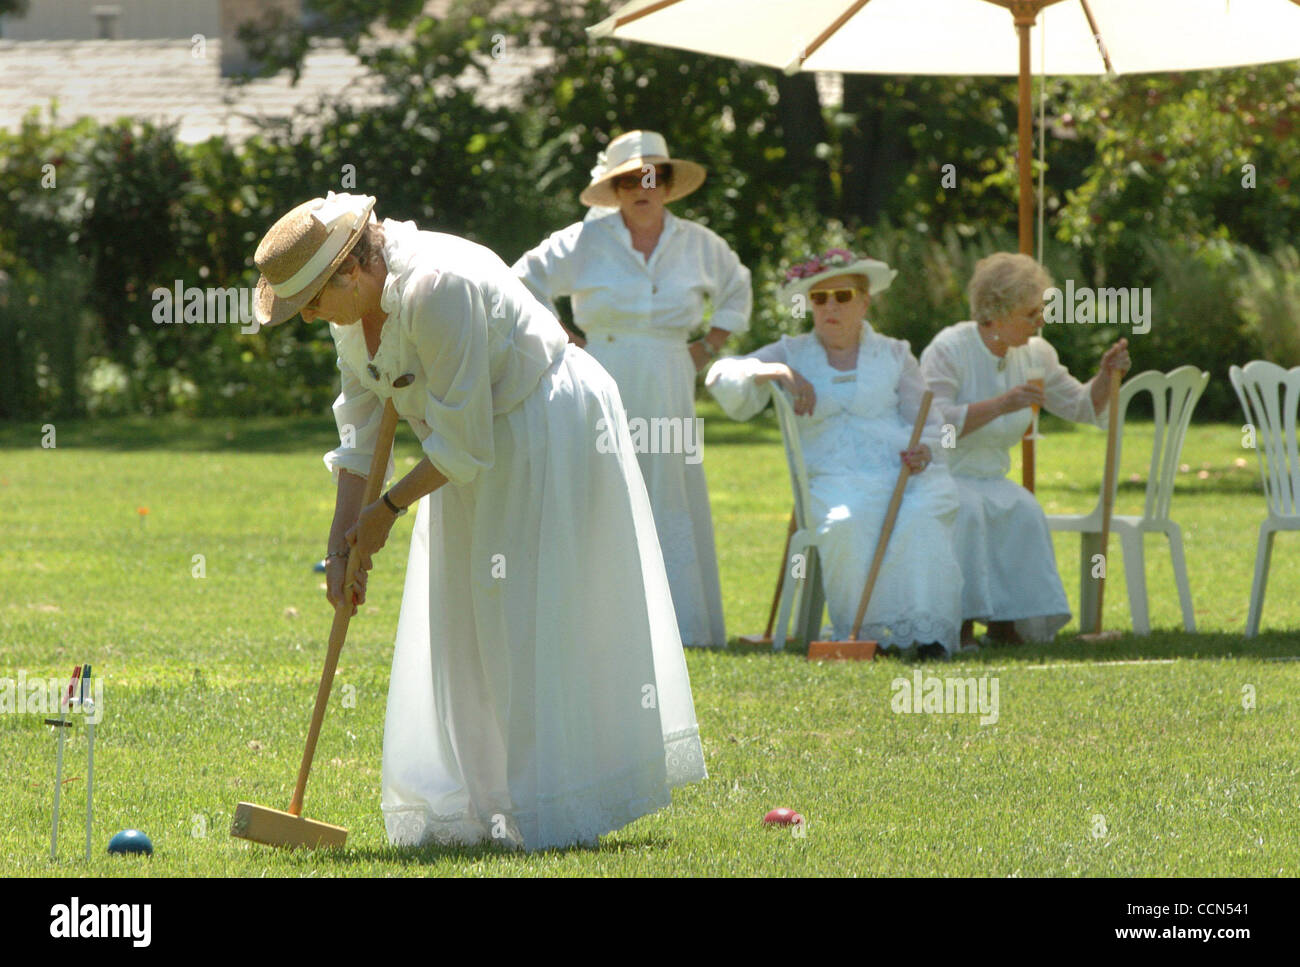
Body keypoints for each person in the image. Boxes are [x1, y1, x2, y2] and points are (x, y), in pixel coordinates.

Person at [251, 192, 706, 851]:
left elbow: (466, 444)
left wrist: (388, 511)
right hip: (467, 448)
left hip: (545, 421)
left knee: (523, 611)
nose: (311, 317)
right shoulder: (349, 312)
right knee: (467, 616)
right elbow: (362, 430)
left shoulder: (438, 288)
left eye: (312, 303)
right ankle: (487, 806)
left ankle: (549, 805)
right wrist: (341, 542)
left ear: (349, 271)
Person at [512, 130, 752, 648]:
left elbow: (738, 286)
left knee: (670, 486)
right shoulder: (584, 240)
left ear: (666, 184)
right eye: (628, 180)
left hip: (671, 373)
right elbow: (522, 281)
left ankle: (683, 625)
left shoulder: (698, 243)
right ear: (614, 188)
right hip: (603, 371)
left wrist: (706, 347)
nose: (642, 187)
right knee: (603, 483)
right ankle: (606, 627)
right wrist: (568, 343)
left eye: (653, 176)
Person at [705, 249, 963, 659]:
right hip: (832, 479)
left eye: (842, 296)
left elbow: (928, 423)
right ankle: (866, 636)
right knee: (850, 520)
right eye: (819, 299)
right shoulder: (791, 352)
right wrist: (775, 372)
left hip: (901, 474)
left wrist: (926, 452)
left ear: (864, 302)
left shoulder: (896, 354)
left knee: (922, 517)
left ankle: (926, 634)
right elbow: (719, 374)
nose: (830, 307)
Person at [919, 252, 1130, 648]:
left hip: (991, 476)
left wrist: (1105, 375)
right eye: (1030, 312)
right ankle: (958, 626)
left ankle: (1008, 626)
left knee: (1024, 510)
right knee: (967, 511)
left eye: (1041, 310)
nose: (1040, 320)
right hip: (943, 475)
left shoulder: (1036, 353)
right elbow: (934, 423)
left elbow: (1082, 406)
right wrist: (1001, 403)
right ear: (995, 313)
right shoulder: (949, 349)